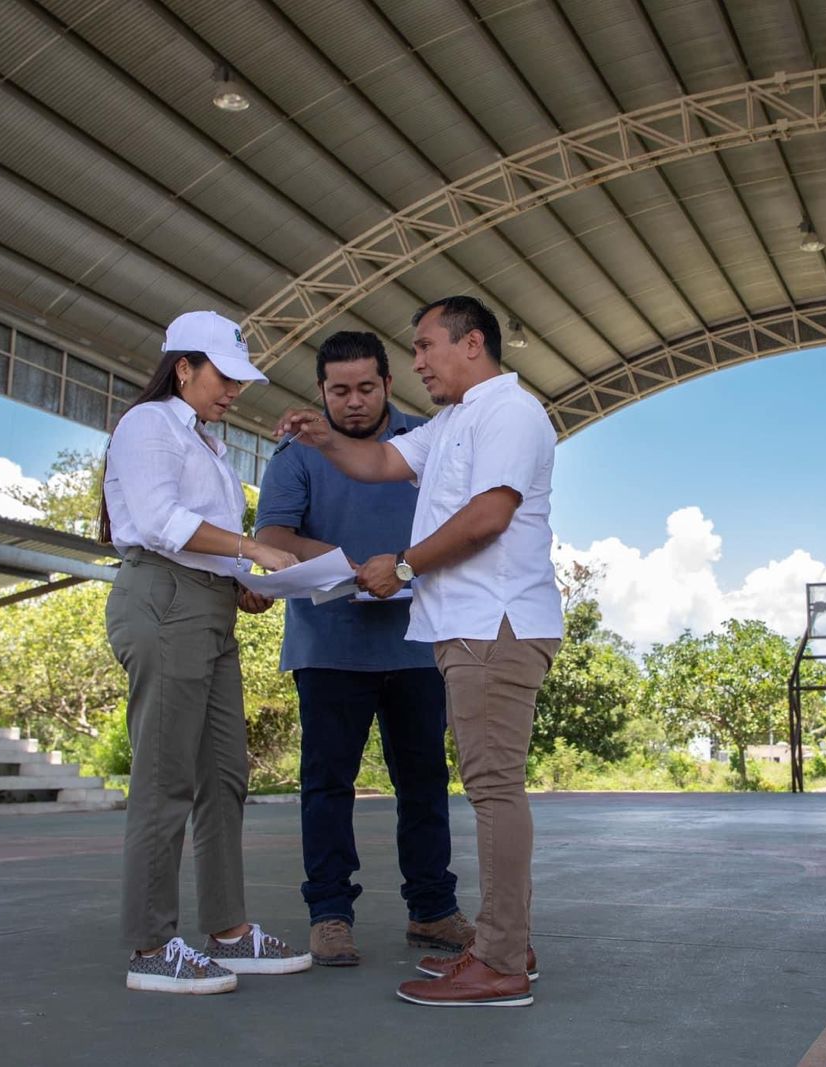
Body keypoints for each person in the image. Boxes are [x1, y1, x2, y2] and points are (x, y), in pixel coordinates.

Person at [275, 296, 562, 1008]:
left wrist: (402, 566)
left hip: (494, 622)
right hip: (462, 625)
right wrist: (322, 439)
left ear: (472, 344)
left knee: (494, 791)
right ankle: (506, 940)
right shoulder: (455, 421)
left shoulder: (508, 412)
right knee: (486, 788)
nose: (419, 361)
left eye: (427, 345)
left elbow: (490, 515)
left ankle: (497, 961)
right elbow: (377, 459)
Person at [101, 310, 313, 994]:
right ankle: (152, 943)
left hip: (210, 608)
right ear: (183, 366)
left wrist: (244, 583)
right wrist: (250, 548)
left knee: (225, 775)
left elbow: (204, 539)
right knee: (166, 777)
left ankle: (228, 928)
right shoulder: (148, 425)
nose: (234, 393)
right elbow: (162, 522)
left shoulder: (209, 447)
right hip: (164, 601)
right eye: (224, 377)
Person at [253, 331, 472, 966]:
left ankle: (432, 911)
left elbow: (459, 525)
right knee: (326, 785)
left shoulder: (425, 443)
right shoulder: (298, 453)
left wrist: (400, 568)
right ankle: (329, 914)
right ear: (320, 392)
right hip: (327, 647)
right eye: (339, 391)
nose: (353, 402)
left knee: (426, 783)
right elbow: (272, 533)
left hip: (416, 644)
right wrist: (346, 566)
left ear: (388, 385)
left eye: (365, 388)